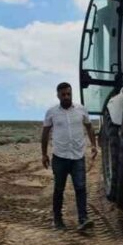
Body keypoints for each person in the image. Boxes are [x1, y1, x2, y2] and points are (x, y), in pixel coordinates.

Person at [42, 82, 97, 230]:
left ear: (71, 94)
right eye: (63, 94)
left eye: (68, 94)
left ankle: (83, 219)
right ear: (58, 95)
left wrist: (94, 145)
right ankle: (58, 220)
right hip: (60, 157)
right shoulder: (51, 112)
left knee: (80, 188)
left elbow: (89, 127)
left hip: (78, 157)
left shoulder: (81, 110)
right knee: (59, 189)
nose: (66, 97)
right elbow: (45, 134)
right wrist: (44, 155)